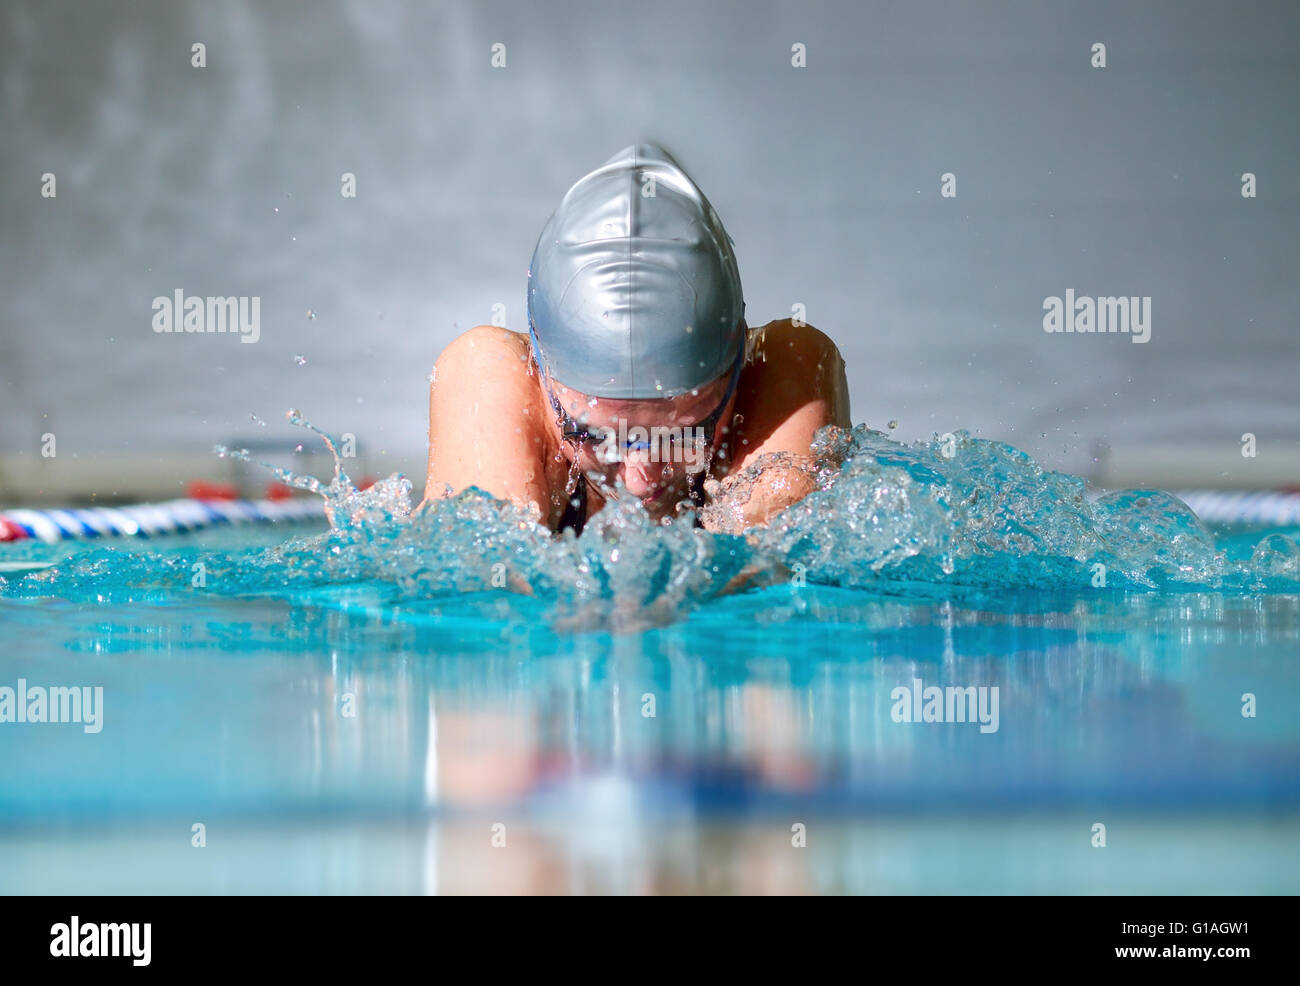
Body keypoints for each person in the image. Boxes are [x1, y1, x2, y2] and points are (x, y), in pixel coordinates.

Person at [421, 142, 849, 534]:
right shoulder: (489, 375)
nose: (640, 480)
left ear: (737, 369)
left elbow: (776, 580)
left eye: (682, 435)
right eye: (595, 436)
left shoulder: (786, 369)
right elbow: (484, 586)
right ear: (542, 375)